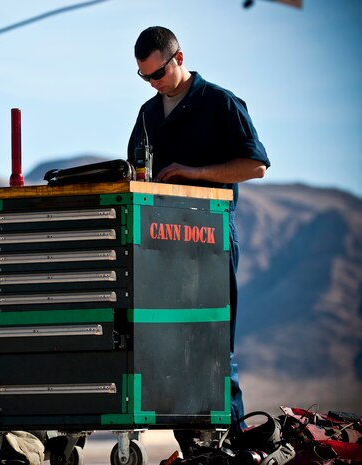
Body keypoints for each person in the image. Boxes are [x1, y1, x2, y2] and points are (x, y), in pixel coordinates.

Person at [127, 26, 271, 456]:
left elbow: (256, 165)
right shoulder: (148, 115)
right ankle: (195, 448)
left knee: (212, 345)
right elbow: (136, 172)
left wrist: (197, 174)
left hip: (209, 239)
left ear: (179, 57)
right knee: (169, 349)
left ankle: (235, 444)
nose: (154, 84)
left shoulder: (221, 103)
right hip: (160, 243)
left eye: (158, 74)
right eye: (144, 78)